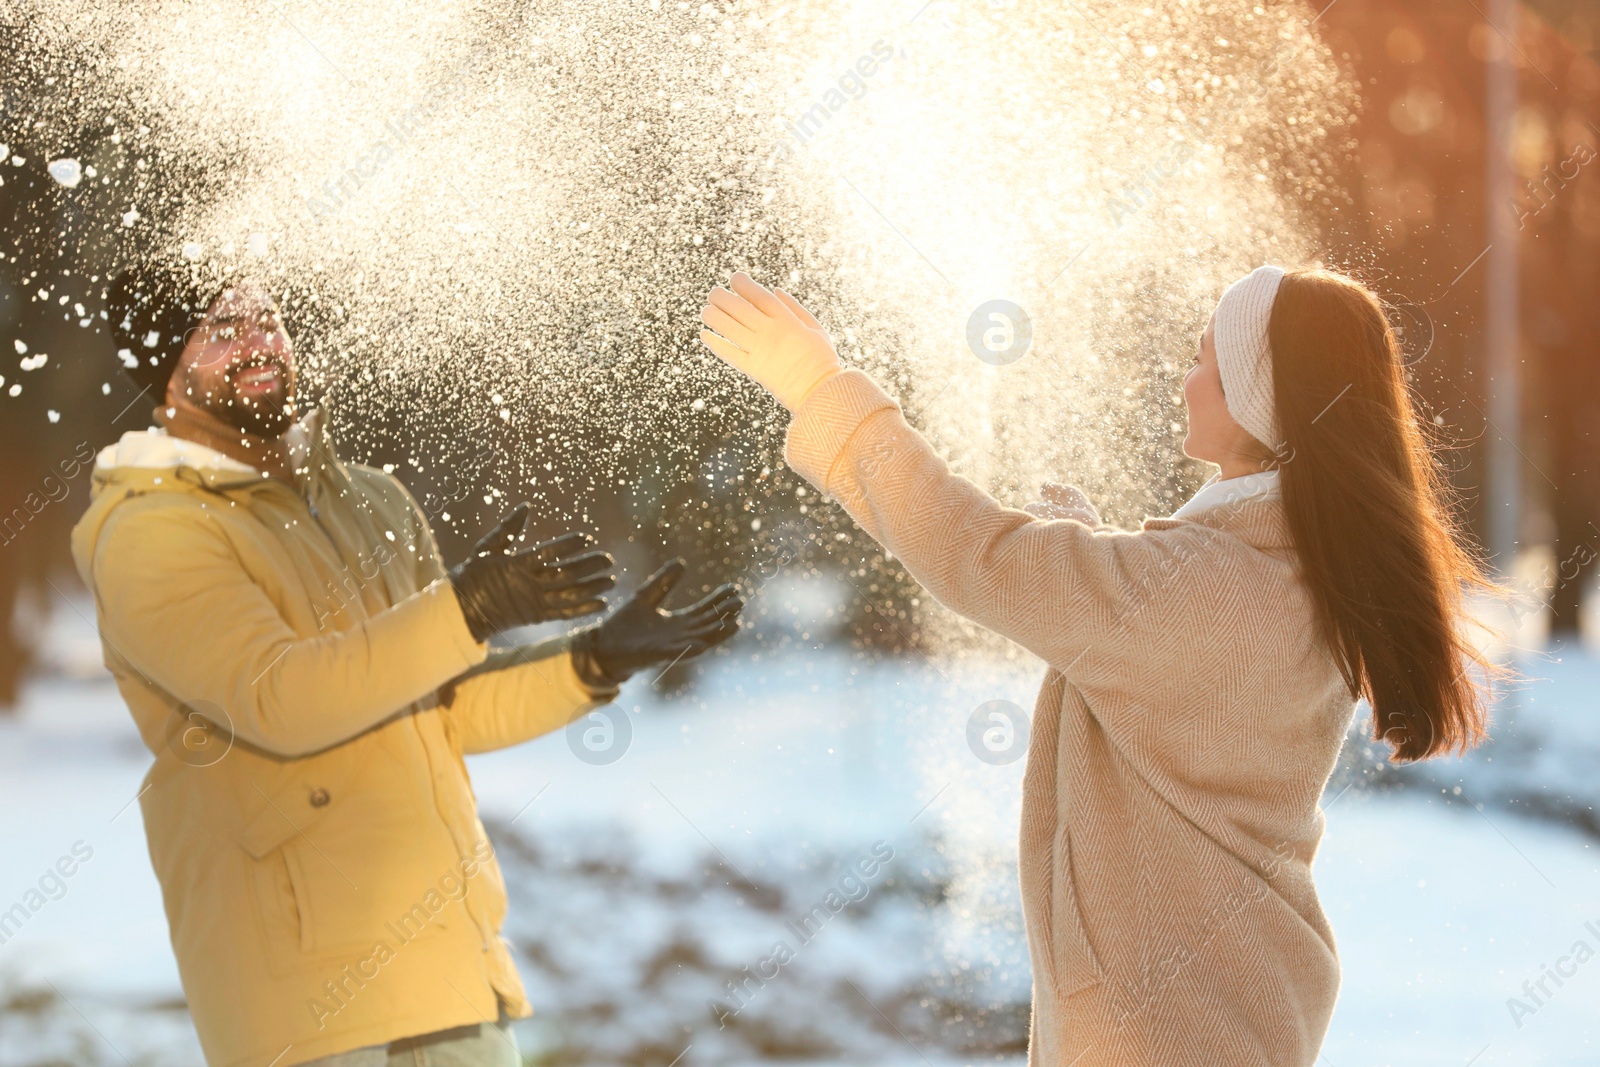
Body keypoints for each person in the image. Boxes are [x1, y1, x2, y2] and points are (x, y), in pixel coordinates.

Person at [697, 268, 1494, 1066]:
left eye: (1204, 358)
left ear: (1260, 393)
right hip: (1232, 1008)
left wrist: (821, 387)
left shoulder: (1199, 589)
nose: (1186, 380)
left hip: (1162, 1031)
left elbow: (972, 549)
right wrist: (1099, 569)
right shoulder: (1288, 573)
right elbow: (1172, 638)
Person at [73, 262, 743, 1067]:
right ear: (163, 365)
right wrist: (469, 609)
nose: (258, 343)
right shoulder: (152, 533)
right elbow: (279, 699)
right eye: (220, 329)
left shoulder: (372, 501)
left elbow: (440, 707)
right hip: (305, 1005)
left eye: (268, 319)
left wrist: (590, 662)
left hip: (451, 976)